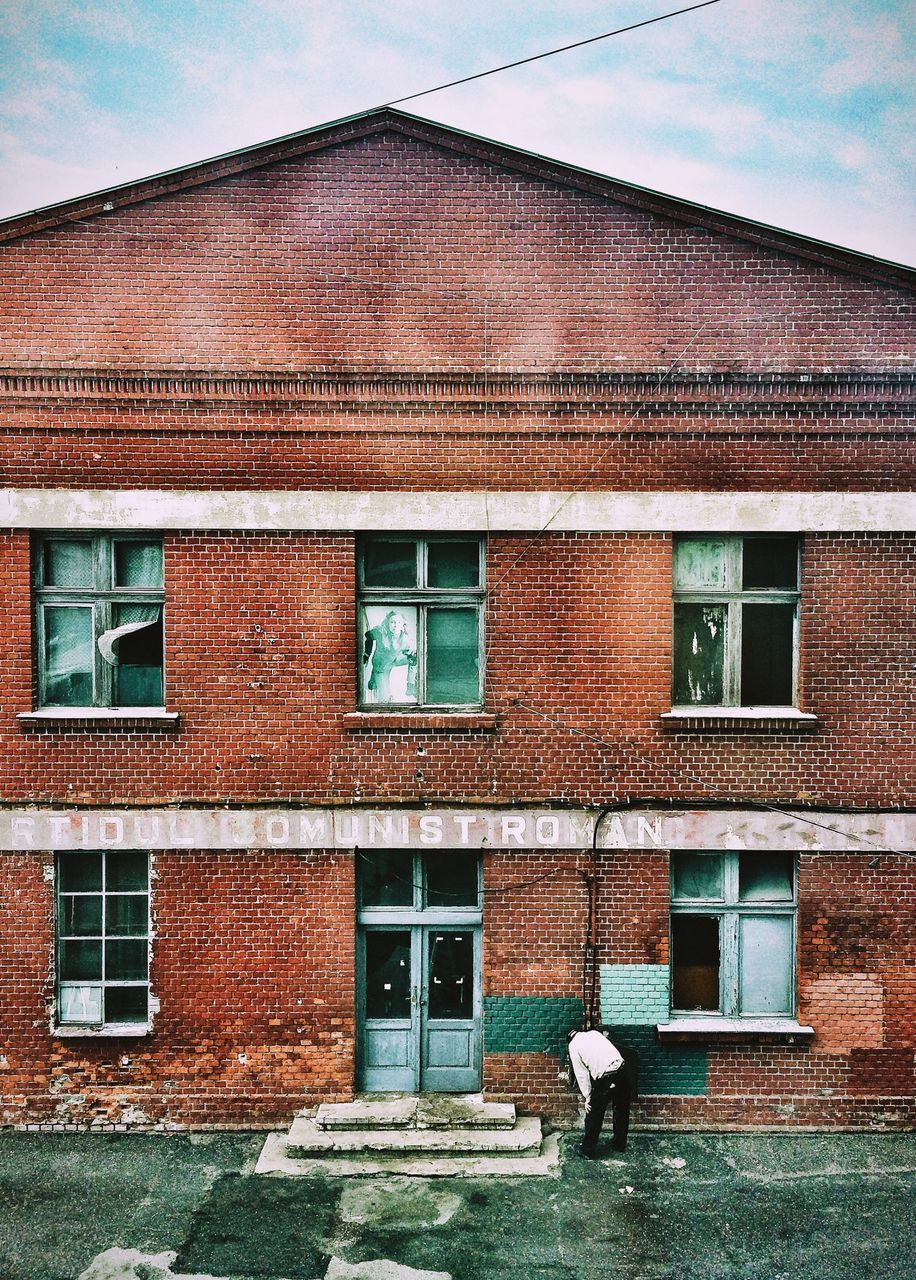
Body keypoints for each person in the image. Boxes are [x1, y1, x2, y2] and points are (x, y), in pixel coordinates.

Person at [567, 1026, 632, 1158]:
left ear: (569, 1040)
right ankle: (619, 1144)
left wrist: (587, 1097)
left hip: (607, 1076)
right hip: (623, 1070)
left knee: (594, 1113)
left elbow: (582, 1074)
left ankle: (587, 1150)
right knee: (621, 1109)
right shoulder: (594, 1034)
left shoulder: (573, 1046)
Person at [363, 611, 416, 702]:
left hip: (393, 661)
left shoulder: (405, 639)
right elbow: (368, 636)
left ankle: (411, 685)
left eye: (399, 622)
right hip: (380, 665)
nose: (395, 625)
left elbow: (411, 656)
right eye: (392, 622)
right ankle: (373, 680)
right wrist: (367, 654)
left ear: (403, 624)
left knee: (416, 655)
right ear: (387, 623)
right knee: (384, 699)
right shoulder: (380, 632)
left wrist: (410, 682)